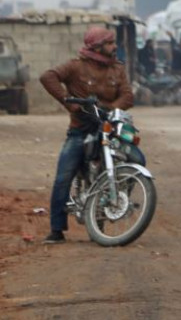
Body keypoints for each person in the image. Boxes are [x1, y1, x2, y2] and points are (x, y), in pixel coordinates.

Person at [39, 27, 138, 244]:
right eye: (110, 43)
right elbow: (48, 77)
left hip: (109, 127)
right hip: (80, 130)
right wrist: (68, 101)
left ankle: (114, 203)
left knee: (137, 159)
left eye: (114, 42)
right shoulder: (76, 67)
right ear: (97, 46)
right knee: (64, 175)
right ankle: (57, 230)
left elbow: (128, 96)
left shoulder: (117, 69)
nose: (115, 46)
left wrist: (109, 110)